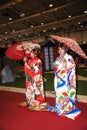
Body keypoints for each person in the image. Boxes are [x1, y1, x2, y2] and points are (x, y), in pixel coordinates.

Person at [48, 43, 81, 120]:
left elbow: (72, 67)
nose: (60, 51)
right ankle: (60, 107)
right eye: (59, 49)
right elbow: (55, 67)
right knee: (59, 93)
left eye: (62, 49)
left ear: (65, 50)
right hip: (59, 79)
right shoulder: (58, 58)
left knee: (65, 93)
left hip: (66, 80)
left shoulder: (69, 57)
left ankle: (67, 108)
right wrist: (56, 66)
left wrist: (66, 64)